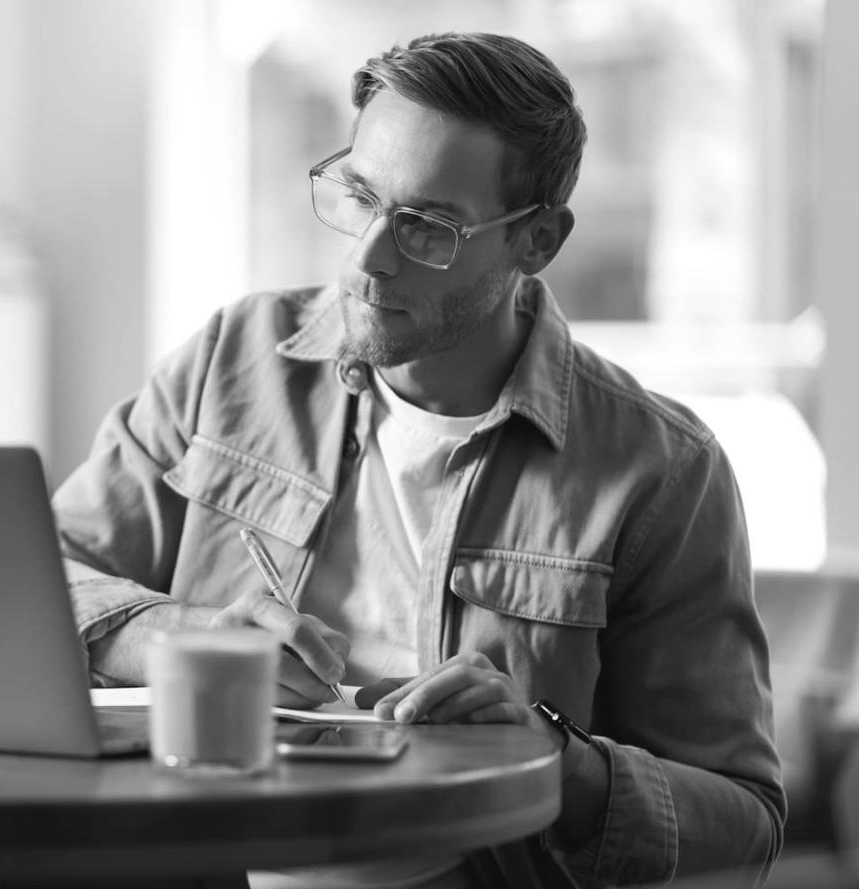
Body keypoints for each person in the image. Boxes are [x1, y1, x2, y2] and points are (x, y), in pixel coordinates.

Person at [51, 31, 785, 889]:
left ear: (538, 240)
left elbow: (744, 825)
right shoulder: (230, 361)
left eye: (427, 227)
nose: (368, 256)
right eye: (360, 197)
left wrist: (557, 757)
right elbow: (37, 581)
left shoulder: (663, 471)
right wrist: (188, 637)